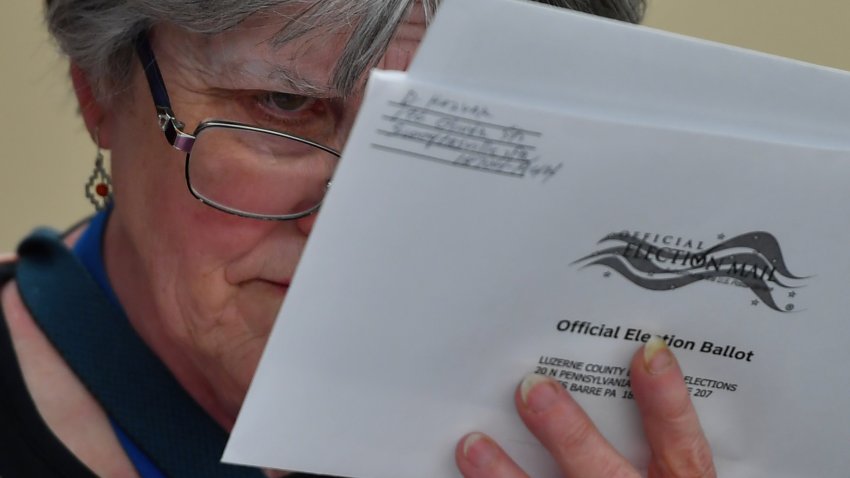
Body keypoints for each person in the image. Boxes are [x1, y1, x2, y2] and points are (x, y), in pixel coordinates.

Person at [0, 0, 715, 477]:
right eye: (284, 106)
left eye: (464, 128)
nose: (364, 227)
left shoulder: (636, 417)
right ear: (100, 89)